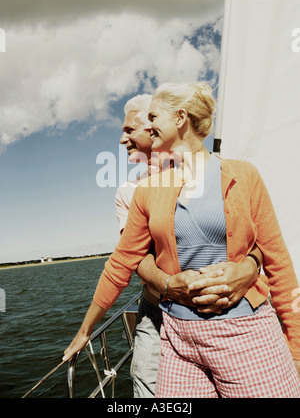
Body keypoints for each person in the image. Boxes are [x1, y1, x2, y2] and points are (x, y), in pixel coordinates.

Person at [63, 82, 300, 397]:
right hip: (179, 340)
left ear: (179, 118)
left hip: (246, 334)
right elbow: (123, 261)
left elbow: (278, 261)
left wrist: (296, 348)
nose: (149, 126)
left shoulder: (244, 176)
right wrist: (84, 330)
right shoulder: (146, 191)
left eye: (153, 117)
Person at [114, 94, 263, 397]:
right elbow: (132, 258)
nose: (121, 139)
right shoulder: (130, 191)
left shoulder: (221, 171)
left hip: (235, 310)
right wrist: (170, 286)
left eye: (131, 129)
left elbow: (258, 238)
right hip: (160, 311)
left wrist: (250, 267)